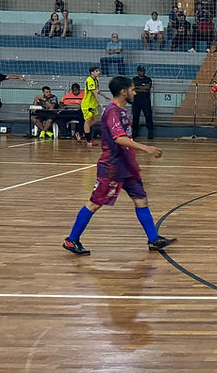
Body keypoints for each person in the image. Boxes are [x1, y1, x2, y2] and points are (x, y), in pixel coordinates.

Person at [61, 75, 175, 256]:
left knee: (141, 200)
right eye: (132, 90)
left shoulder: (122, 111)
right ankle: (71, 239)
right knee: (94, 203)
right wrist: (146, 148)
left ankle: (153, 240)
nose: (135, 93)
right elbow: (119, 139)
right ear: (124, 92)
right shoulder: (112, 111)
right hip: (112, 167)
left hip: (127, 166)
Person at [81, 65, 108, 145]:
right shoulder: (89, 80)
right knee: (88, 121)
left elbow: (97, 91)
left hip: (93, 105)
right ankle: (89, 140)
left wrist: (103, 95)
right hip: (87, 104)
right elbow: (94, 93)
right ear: (92, 72)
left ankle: (81, 132)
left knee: (95, 120)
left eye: (99, 71)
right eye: (96, 71)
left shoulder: (96, 79)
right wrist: (100, 104)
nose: (98, 72)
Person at [131, 66, 154, 140]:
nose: (142, 72)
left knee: (148, 116)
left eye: (143, 71)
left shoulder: (148, 79)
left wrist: (137, 88)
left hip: (145, 101)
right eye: (141, 71)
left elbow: (146, 88)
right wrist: (141, 87)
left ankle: (150, 133)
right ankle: (134, 133)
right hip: (136, 101)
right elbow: (132, 88)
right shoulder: (134, 79)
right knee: (135, 116)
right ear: (137, 71)